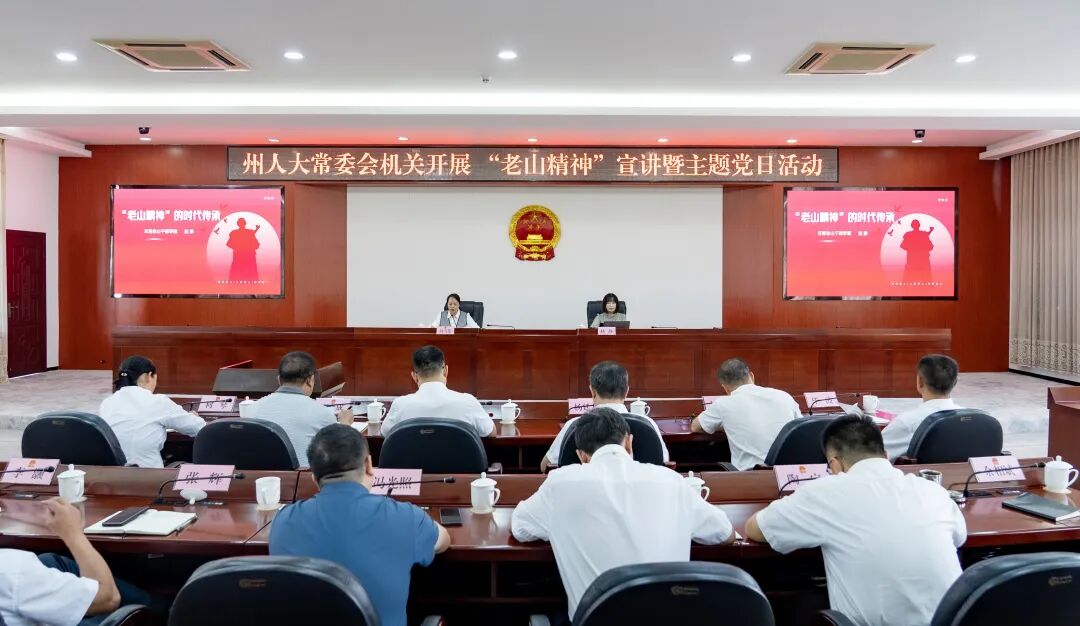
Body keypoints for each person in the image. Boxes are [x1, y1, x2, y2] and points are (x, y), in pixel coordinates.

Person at [513, 409, 734, 622]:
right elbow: (725, 533)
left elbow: (520, 527)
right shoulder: (671, 480)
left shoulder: (560, 483)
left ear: (581, 456)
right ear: (629, 443)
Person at [745, 415, 965, 626]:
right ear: (885, 455)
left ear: (834, 465)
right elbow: (959, 537)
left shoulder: (827, 492)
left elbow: (756, 529)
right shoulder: (932, 490)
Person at [270, 424, 450, 626]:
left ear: (314, 477)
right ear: (369, 465)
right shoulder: (406, 517)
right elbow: (443, 540)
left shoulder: (283, 522)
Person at [0, 498, 146, 626]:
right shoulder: (13, 570)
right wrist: (72, 533)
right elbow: (109, 599)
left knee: (50, 561)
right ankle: (157, 609)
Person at [540, 361, 669, 472]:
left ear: (592, 391)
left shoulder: (575, 424)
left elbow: (546, 466)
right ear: (626, 392)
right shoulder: (647, 423)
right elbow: (664, 461)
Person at [690, 358, 801, 470]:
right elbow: (801, 427)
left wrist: (725, 424)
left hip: (750, 476)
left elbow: (695, 427)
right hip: (788, 474)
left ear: (725, 388)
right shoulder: (784, 396)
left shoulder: (723, 404)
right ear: (752, 376)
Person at [99, 355, 206, 468]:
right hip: (148, 474)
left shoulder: (107, 402)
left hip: (113, 472)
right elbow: (199, 428)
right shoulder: (157, 401)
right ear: (148, 376)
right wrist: (195, 417)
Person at [252, 351, 354, 467]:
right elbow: (340, 454)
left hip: (263, 476)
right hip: (306, 477)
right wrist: (345, 425)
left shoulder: (254, 408)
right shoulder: (321, 412)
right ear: (310, 380)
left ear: (279, 380)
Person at [380, 345, 494, 437]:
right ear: (445, 371)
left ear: (414, 376)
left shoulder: (400, 405)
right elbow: (491, 432)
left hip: (414, 460)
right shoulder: (468, 402)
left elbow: (384, 433)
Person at [881, 354, 962, 461]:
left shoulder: (906, 422)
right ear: (955, 382)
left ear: (920, 382)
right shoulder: (977, 418)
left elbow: (869, 456)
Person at [227, 216, 261, 282]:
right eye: (241, 223)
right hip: (243, 257)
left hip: (244, 257)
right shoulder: (236, 233)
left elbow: (256, 244)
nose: (242, 224)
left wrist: (238, 247)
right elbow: (257, 244)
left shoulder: (235, 233)